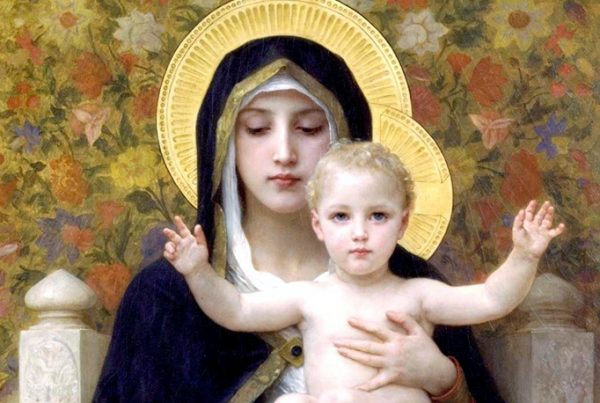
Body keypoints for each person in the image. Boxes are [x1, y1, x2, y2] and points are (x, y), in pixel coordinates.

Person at [94, 36, 505, 403]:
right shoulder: (167, 297)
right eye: (258, 128)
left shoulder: (411, 283)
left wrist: (440, 378)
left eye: (308, 128)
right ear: (224, 142)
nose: (284, 153)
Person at [163, 142, 565, 403]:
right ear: (318, 225)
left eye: (377, 216)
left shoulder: (418, 294)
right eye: (341, 216)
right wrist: (198, 271)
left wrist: (524, 256)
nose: (360, 233)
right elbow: (236, 310)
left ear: (402, 223)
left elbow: (492, 298)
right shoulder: (308, 298)